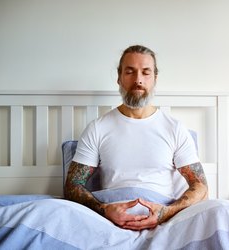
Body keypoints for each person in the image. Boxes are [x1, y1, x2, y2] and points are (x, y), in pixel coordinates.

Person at [65, 45, 208, 231]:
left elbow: (200, 185)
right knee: (44, 211)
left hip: (164, 219)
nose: (138, 80)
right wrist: (104, 209)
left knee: (225, 209)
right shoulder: (97, 128)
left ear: (155, 78)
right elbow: (72, 185)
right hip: (110, 220)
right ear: (119, 77)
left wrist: (166, 212)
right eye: (130, 72)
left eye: (146, 73)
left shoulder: (175, 129)